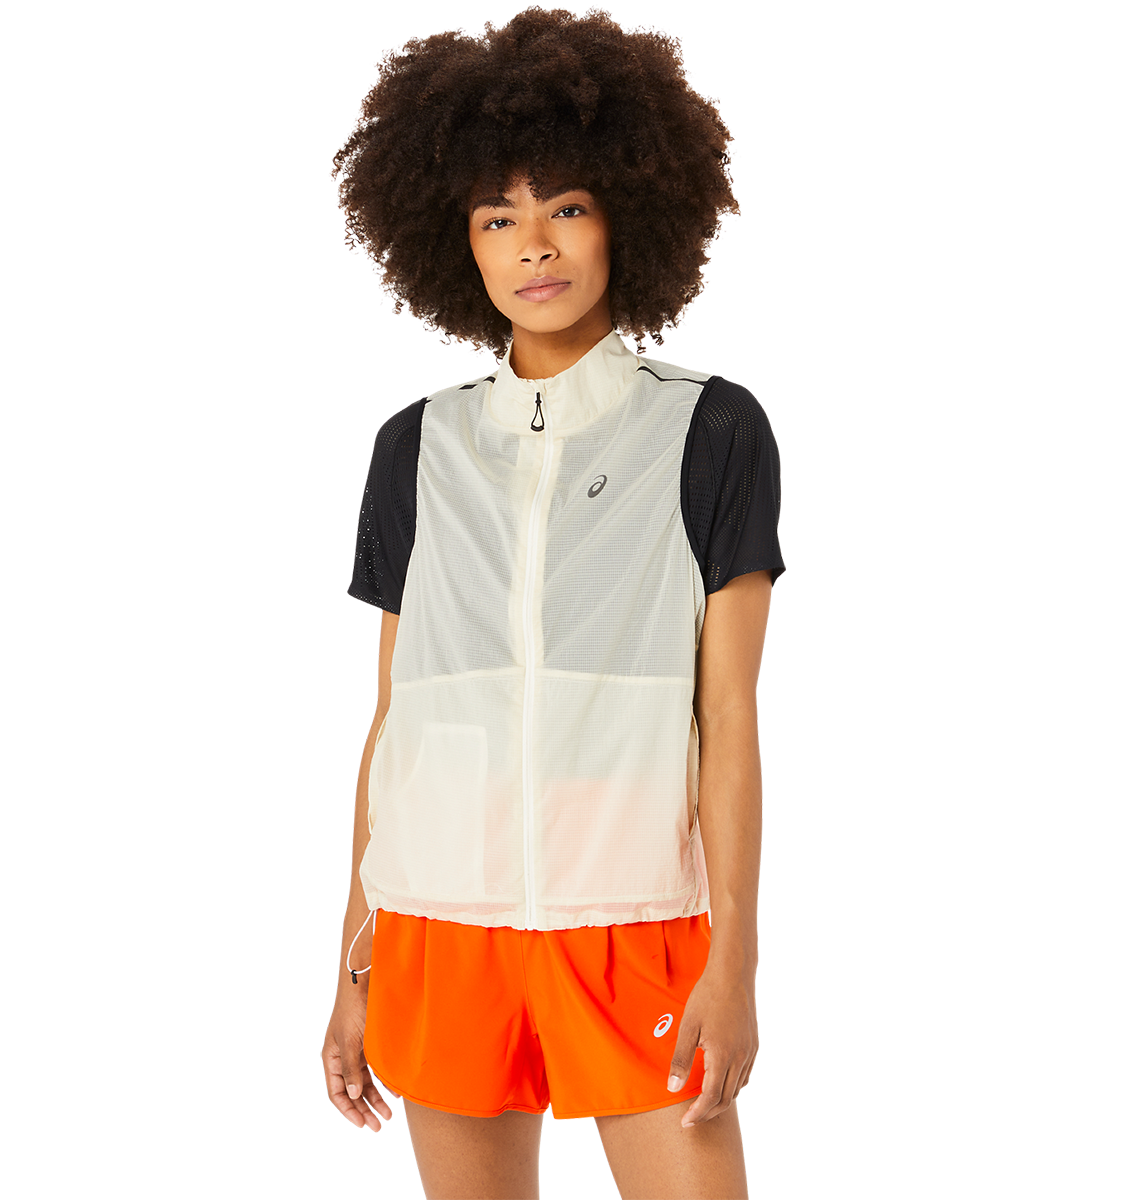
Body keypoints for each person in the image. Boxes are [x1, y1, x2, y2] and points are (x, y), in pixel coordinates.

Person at [321, 9, 785, 1198]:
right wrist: (353, 970)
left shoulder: (708, 431)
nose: (535, 247)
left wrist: (733, 966)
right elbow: (393, 724)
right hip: (438, 928)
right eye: (497, 219)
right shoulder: (414, 450)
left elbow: (728, 719)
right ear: (456, 247)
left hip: (637, 925)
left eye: (566, 207)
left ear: (627, 212)